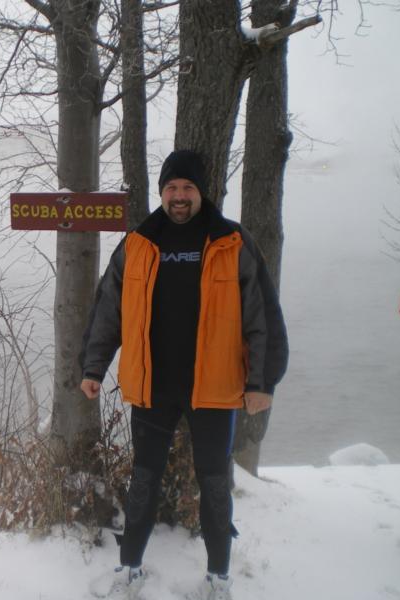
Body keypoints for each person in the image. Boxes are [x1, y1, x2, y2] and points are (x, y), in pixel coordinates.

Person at [80, 150, 289, 600]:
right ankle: (130, 568)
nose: (179, 196)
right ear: (162, 192)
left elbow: (262, 316)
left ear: (201, 192)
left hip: (214, 390)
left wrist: (261, 382)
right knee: (144, 480)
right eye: (172, 188)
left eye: (188, 188)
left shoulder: (232, 242)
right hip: (153, 387)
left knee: (214, 482)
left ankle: (218, 578)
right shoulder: (138, 242)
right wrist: (93, 366)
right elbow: (107, 310)